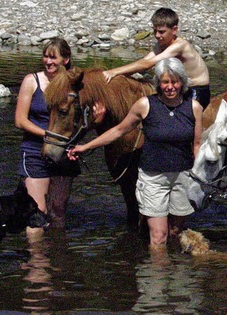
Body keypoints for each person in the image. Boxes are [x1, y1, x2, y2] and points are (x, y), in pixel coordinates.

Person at [68, 57, 203, 250]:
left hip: (181, 177)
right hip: (153, 178)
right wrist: (86, 146)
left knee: (174, 232)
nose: (170, 87)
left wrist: (198, 179)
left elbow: (196, 145)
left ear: (182, 82)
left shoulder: (194, 108)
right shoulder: (145, 105)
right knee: (157, 236)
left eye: (175, 82)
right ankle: (157, 277)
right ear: (159, 83)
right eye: (165, 82)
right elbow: (119, 130)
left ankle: (177, 277)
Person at [15, 37, 81, 235]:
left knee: (58, 211)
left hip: (64, 153)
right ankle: (37, 261)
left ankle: (58, 257)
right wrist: (50, 135)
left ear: (66, 59)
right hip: (35, 150)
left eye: (53, 58)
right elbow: (20, 121)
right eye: (45, 57)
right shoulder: (31, 81)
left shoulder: (74, 84)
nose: (48, 62)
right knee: (38, 211)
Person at [103, 7, 211, 110]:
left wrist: (113, 72)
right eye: (155, 31)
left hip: (197, 90)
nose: (157, 35)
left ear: (174, 30)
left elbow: (147, 64)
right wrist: (120, 74)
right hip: (179, 87)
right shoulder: (161, 44)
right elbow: (145, 61)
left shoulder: (180, 46)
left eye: (162, 32)